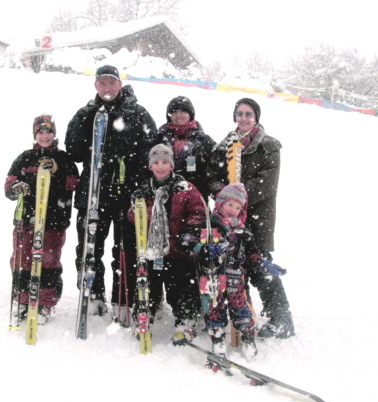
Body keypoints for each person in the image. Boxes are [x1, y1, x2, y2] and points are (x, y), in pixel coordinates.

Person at [65, 65, 157, 323]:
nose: (107, 87)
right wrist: (87, 122)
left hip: (127, 192)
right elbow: (73, 150)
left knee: (126, 248)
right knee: (89, 248)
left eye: (111, 83)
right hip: (93, 192)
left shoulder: (136, 112)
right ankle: (93, 296)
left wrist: (141, 183)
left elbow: (151, 149)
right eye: (102, 83)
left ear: (119, 84)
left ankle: (124, 299)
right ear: (96, 86)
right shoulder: (87, 113)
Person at [207, 98, 295, 339]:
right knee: (231, 266)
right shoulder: (224, 145)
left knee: (259, 265)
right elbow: (211, 176)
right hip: (228, 217)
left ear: (256, 117)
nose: (243, 118)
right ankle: (240, 314)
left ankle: (281, 317)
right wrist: (224, 197)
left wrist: (240, 195)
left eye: (248, 114)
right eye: (239, 114)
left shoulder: (268, 146)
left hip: (257, 217)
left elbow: (268, 184)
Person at [195, 183, 286, 362]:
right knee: (215, 309)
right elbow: (194, 245)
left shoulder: (243, 231)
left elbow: (252, 252)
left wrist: (262, 263)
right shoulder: (209, 224)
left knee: (241, 307)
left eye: (238, 207)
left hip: (235, 277)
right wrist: (204, 248)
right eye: (229, 204)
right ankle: (218, 339)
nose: (233, 210)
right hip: (213, 277)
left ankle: (248, 338)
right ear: (220, 204)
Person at [128, 144, 206, 343]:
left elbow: (198, 211)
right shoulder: (144, 190)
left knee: (181, 288)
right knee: (148, 285)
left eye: (164, 162)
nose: (160, 166)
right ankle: (144, 316)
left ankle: (186, 321)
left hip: (179, 251)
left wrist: (190, 231)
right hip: (154, 251)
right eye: (156, 163)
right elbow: (133, 218)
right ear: (150, 166)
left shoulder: (185, 188)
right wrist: (135, 208)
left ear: (171, 165)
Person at [5, 114, 79, 324]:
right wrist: (15, 188)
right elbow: (9, 184)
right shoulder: (25, 158)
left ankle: (45, 302)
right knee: (23, 260)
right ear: (35, 134)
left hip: (53, 220)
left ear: (55, 134)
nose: (45, 136)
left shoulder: (64, 158)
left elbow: (74, 183)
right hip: (26, 219)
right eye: (41, 132)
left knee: (48, 260)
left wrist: (57, 173)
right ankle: (22, 298)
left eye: (48, 132)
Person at [153, 96, 215, 202]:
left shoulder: (204, 140)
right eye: (174, 112)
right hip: (163, 198)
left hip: (194, 200)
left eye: (183, 111)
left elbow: (214, 170)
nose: (178, 115)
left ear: (190, 114)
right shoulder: (158, 138)